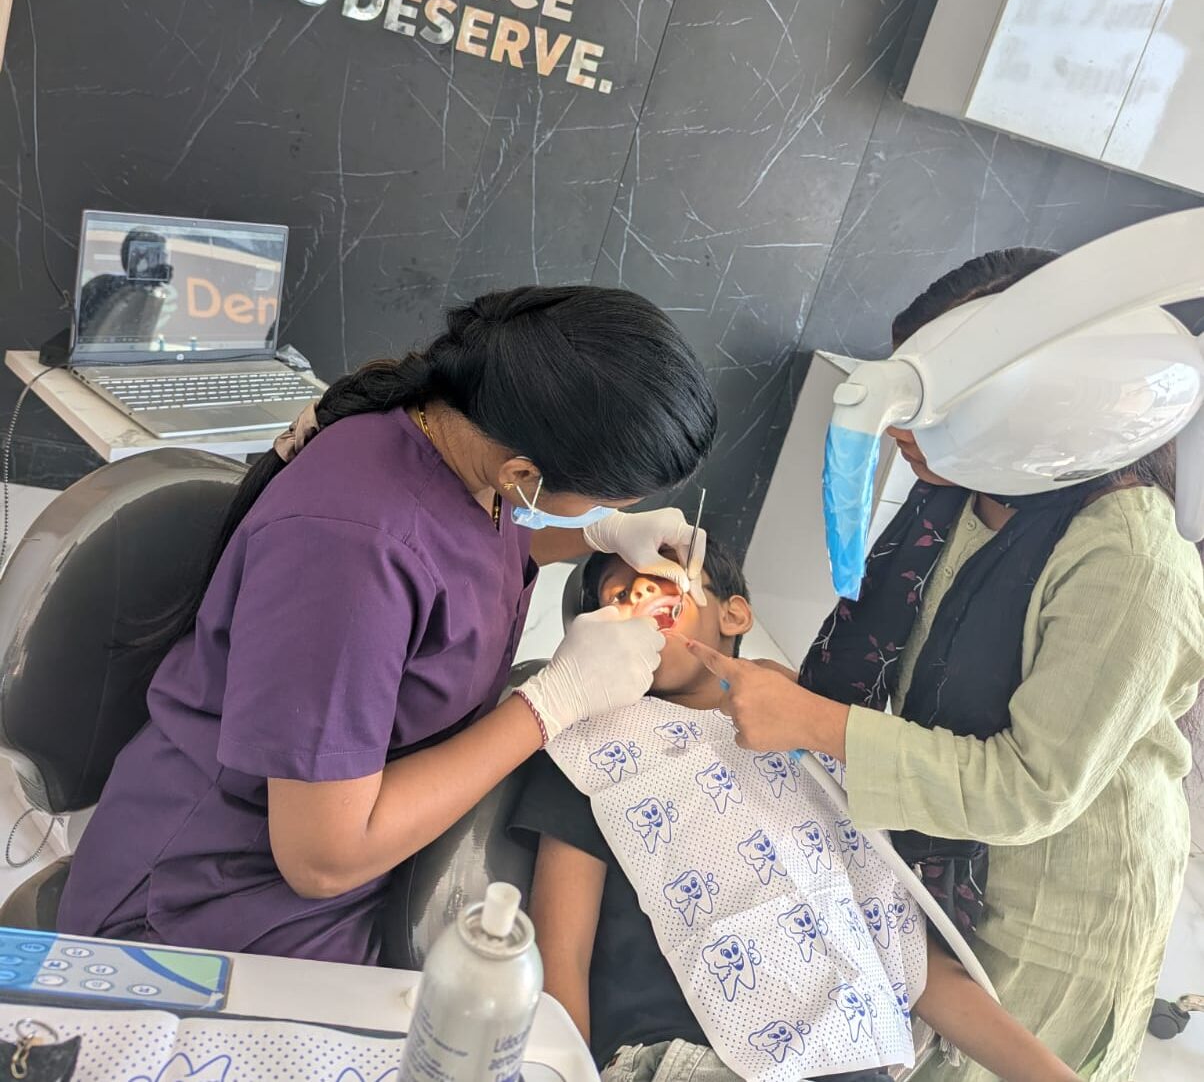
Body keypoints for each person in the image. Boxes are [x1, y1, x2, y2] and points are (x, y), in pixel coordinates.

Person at [58, 285, 718, 962]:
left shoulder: (458, 438)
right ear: (522, 472)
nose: (607, 513)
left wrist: (597, 532)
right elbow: (321, 859)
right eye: (606, 500)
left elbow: (469, 548)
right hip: (206, 912)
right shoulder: (351, 551)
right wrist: (552, 704)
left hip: (356, 864)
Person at [684, 249, 1204, 1082]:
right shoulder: (971, 484)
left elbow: (1028, 787)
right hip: (937, 849)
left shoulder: (1133, 562)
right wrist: (807, 707)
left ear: (1041, 402)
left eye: (941, 404)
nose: (903, 430)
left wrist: (819, 722)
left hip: (1058, 909)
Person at [515, 542, 1084, 1082]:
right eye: (616, 599)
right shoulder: (590, 751)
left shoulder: (814, 752)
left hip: (855, 1060)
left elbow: (910, 959)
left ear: (734, 615)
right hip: (686, 1058)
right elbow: (560, 956)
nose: (637, 595)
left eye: (659, 577)